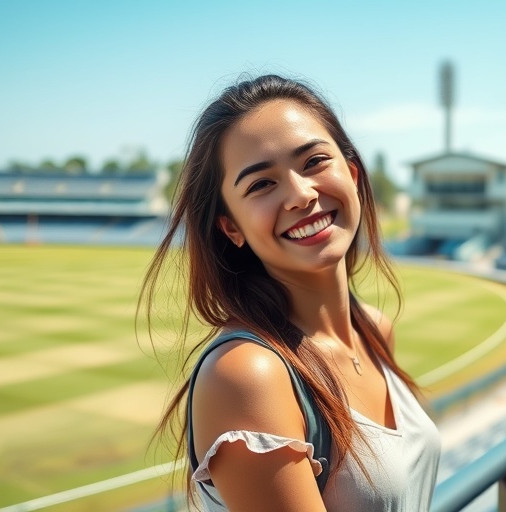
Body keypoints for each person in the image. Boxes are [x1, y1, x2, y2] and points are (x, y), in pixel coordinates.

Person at [140, 74, 441, 511]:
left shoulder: (374, 329)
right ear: (231, 227)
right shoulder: (248, 374)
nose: (300, 195)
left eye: (315, 161)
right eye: (261, 184)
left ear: (352, 174)